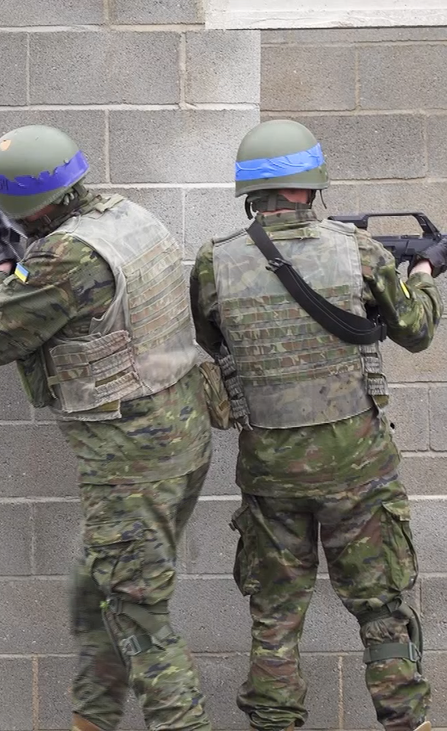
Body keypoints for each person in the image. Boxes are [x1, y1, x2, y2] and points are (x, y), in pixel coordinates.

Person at [190, 118, 446, 731]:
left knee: (275, 616)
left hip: (269, 471)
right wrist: (424, 277)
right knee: (382, 609)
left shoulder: (213, 263)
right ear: (310, 188)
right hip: (358, 468)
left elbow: (213, 340)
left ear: (251, 193)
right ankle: (405, 723)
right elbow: (413, 331)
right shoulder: (361, 252)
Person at [0, 125, 217, 731]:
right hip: (180, 437)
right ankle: (92, 720)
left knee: (136, 613)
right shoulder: (128, 216)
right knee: (92, 593)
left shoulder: (65, 256)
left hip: (132, 461)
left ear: (33, 206)